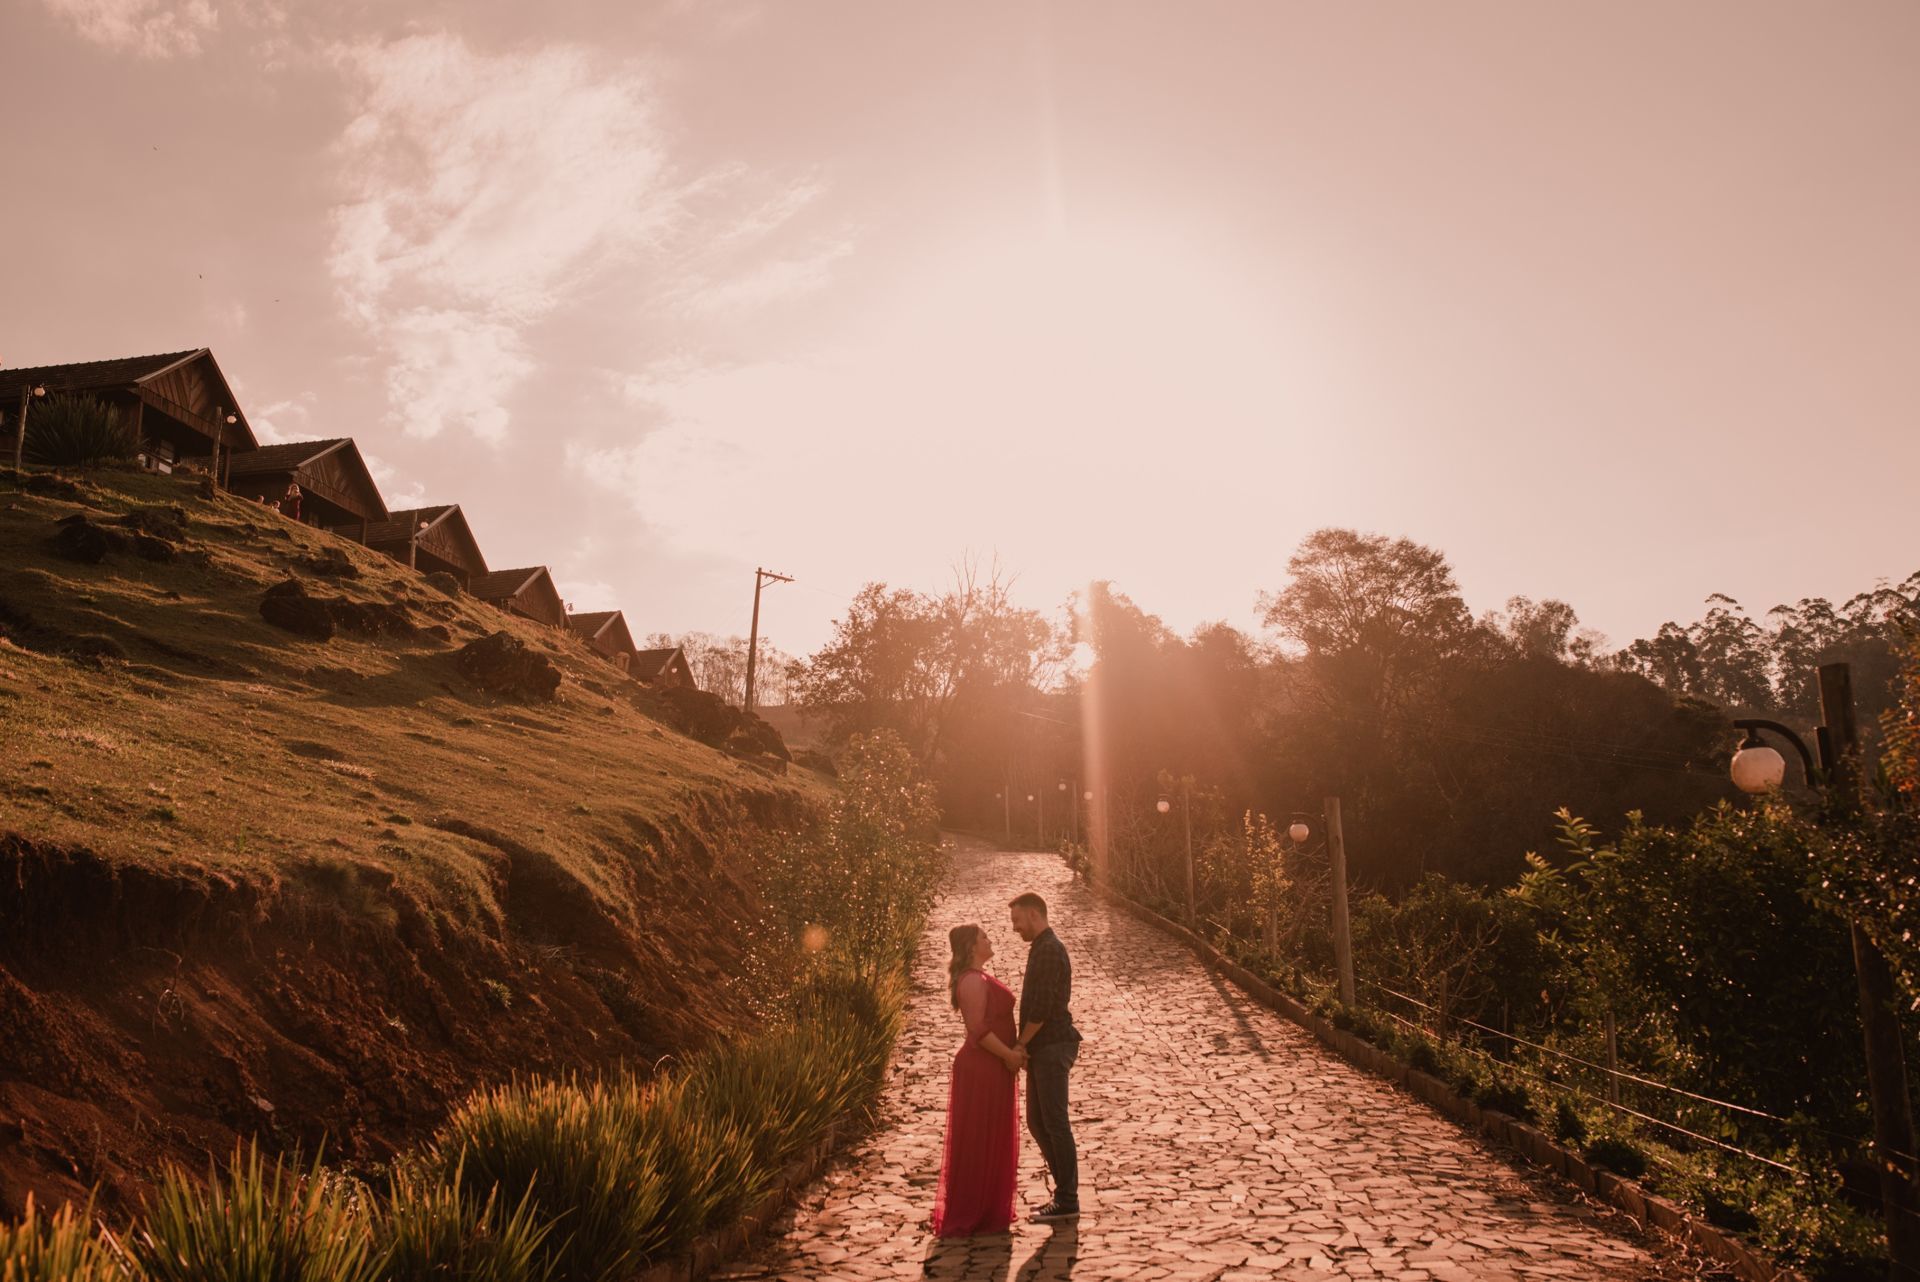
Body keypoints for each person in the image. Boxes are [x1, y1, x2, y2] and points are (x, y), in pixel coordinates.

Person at [931, 923, 1023, 1237]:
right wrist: (1009, 1056)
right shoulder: (971, 981)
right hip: (982, 1066)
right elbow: (978, 1030)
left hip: (993, 1067)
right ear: (971, 946)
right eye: (984, 936)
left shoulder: (979, 977)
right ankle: (973, 1208)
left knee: (992, 1134)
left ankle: (988, 1206)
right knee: (978, 1137)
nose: (990, 938)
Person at [1011, 891, 1081, 1221]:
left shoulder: (1050, 950)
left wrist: (1019, 1044)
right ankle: (1064, 1192)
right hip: (1043, 1048)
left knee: (1054, 1122)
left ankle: (1068, 1198)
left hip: (1053, 1045)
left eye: (1018, 920)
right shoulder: (1040, 948)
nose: (1015, 928)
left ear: (1035, 915)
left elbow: (1041, 1009)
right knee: (1039, 1122)